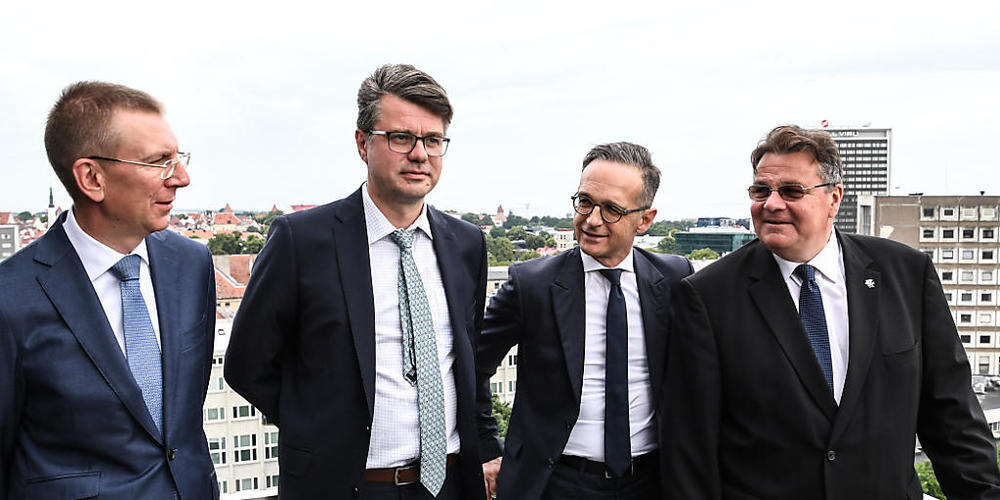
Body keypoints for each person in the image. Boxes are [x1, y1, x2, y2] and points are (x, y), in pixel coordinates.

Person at [663, 124, 1000, 498]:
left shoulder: (905, 274)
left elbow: (952, 416)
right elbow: (690, 449)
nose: (772, 203)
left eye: (791, 191)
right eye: (761, 191)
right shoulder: (707, 296)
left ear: (834, 199)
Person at [224, 64, 488, 499]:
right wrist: (318, 428)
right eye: (401, 138)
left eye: (433, 140)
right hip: (347, 485)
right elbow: (247, 365)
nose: (420, 154)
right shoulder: (301, 241)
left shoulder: (467, 243)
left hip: (451, 484)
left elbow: (466, 361)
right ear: (363, 143)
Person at [0, 81, 218, 498]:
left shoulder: (191, 264)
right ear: (92, 178)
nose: (183, 179)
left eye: (179, 158)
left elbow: (180, 427)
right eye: (159, 162)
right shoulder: (10, 299)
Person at [476, 142, 693, 500]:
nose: (592, 219)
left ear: (645, 219)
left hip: (652, 482)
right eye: (585, 201)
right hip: (554, 483)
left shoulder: (674, 278)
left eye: (611, 210)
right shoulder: (531, 284)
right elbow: (471, 368)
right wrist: (488, 447)